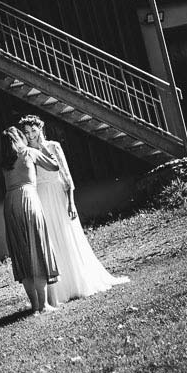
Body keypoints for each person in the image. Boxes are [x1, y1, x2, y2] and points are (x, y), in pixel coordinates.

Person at [19, 115, 129, 302]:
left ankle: (79, 281)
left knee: (68, 235)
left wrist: (71, 202)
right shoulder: (27, 152)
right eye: (27, 132)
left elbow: (67, 175)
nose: (30, 135)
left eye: (33, 131)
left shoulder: (54, 146)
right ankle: (60, 289)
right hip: (42, 197)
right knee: (51, 239)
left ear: (40, 129)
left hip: (59, 194)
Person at [1, 126, 62, 314]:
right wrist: (42, 147)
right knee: (38, 248)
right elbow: (54, 166)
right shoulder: (29, 152)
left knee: (22, 253)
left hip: (10, 202)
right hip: (29, 198)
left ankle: (34, 305)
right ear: (20, 138)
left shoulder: (4, 160)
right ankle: (44, 305)